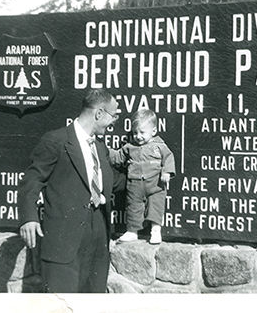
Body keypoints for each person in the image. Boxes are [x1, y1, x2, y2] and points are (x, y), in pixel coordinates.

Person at [18, 89, 124, 293]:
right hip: (63, 243)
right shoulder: (55, 141)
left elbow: (114, 181)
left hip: (98, 240)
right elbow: (31, 181)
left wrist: (147, 174)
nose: (114, 121)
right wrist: (28, 217)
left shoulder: (100, 147)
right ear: (99, 113)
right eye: (114, 115)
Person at [110, 109, 175, 245]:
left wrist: (167, 172)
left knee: (155, 206)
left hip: (155, 185)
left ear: (154, 131)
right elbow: (117, 157)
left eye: (142, 132)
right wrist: (105, 150)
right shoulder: (129, 147)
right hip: (135, 184)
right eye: (135, 132)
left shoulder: (159, 146)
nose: (138, 136)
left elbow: (168, 158)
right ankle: (132, 231)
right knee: (133, 207)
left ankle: (155, 231)